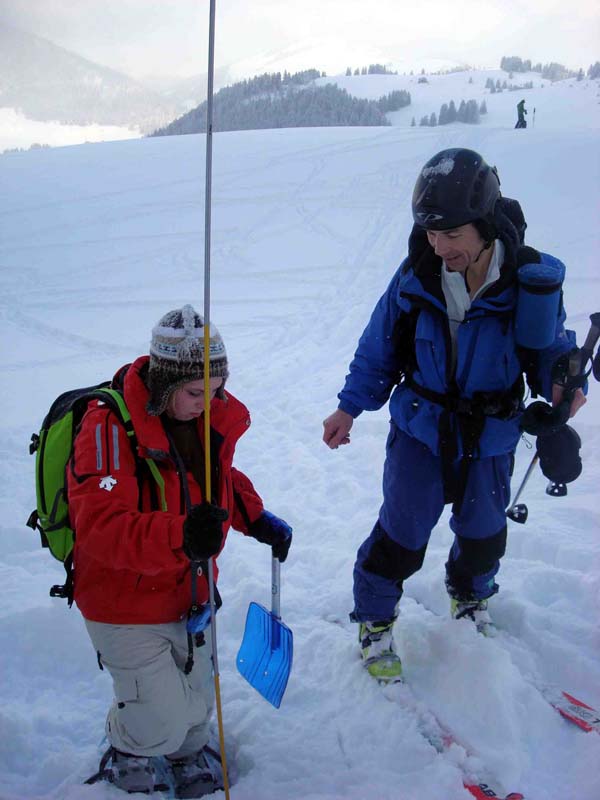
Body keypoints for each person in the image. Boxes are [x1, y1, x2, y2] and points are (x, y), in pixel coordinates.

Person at [322, 148, 585, 682]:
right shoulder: (416, 274)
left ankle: (469, 596)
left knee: (484, 530)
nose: (439, 247)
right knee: (403, 529)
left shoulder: (528, 282)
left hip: (492, 433)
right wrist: (350, 406)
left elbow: (551, 355)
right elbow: (378, 348)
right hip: (421, 426)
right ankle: (374, 620)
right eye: (431, 233)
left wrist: (564, 386)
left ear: (484, 226)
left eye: (451, 234)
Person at [67, 305, 292, 797]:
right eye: (195, 393)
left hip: (190, 594)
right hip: (124, 603)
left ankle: (185, 751)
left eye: (215, 391)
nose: (207, 404)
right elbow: (100, 528)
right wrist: (181, 537)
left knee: (197, 711)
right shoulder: (107, 429)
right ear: (165, 383)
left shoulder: (200, 419)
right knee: (161, 722)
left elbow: (214, 479)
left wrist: (254, 517)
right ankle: (126, 745)